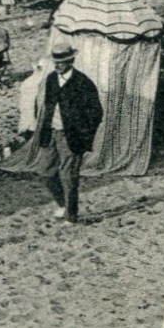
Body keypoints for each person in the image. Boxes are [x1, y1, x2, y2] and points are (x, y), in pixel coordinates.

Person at [34, 44, 103, 224]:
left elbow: (96, 112)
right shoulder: (51, 79)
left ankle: (71, 217)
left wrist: (84, 135)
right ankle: (62, 204)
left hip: (71, 136)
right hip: (50, 133)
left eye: (62, 63)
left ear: (70, 61)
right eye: (55, 62)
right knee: (45, 171)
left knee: (68, 176)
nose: (57, 65)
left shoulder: (82, 82)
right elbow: (46, 106)